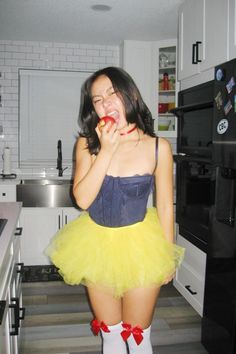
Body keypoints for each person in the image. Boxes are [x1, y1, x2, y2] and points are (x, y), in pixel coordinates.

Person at [46, 66, 185, 354]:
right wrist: (107, 150)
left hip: (142, 246)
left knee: (137, 335)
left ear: (130, 95)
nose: (106, 103)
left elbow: (164, 205)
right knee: (111, 334)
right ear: (93, 109)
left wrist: (169, 255)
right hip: (95, 245)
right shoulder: (87, 144)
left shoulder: (158, 147)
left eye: (112, 93)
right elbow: (82, 200)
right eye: (97, 99)